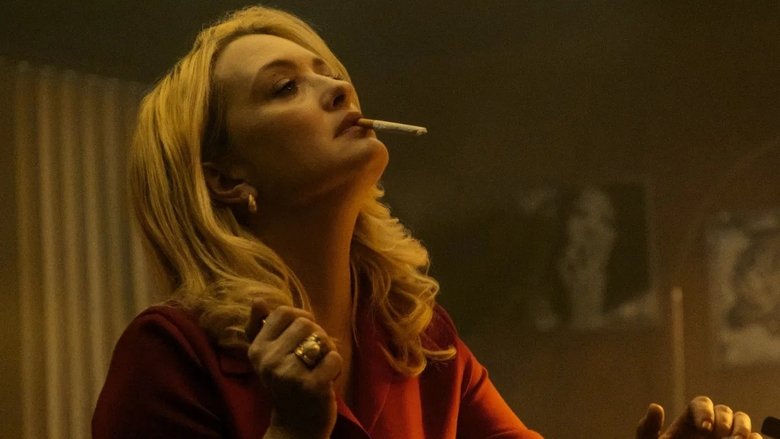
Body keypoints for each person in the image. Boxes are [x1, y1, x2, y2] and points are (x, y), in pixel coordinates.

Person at [91, 5, 761, 439]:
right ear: (227, 178)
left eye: (329, 73)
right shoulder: (174, 357)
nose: (339, 88)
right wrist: (292, 433)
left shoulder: (415, 340)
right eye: (285, 86)